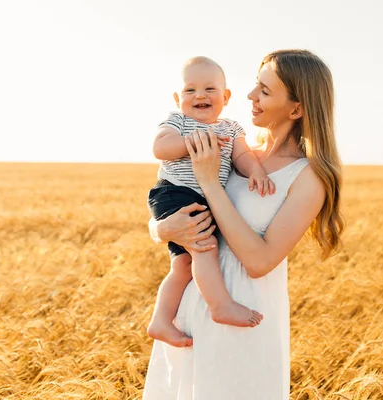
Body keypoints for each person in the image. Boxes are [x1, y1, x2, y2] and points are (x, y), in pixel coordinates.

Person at [143, 49, 345, 400]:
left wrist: (209, 183)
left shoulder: (309, 176)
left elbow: (259, 261)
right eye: (255, 85)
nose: (250, 96)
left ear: (296, 108)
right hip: (190, 313)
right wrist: (161, 230)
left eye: (265, 91)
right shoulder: (238, 149)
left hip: (244, 317)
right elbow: (175, 204)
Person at [147, 56, 273, 348]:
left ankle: (161, 321)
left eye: (209, 89)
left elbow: (242, 156)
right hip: (175, 191)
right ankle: (220, 305)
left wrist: (255, 169)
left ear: (225, 97)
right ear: (178, 98)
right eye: (190, 91)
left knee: (183, 264)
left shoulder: (230, 128)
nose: (200, 95)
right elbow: (160, 147)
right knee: (205, 246)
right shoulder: (177, 121)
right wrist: (194, 141)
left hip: (202, 196)